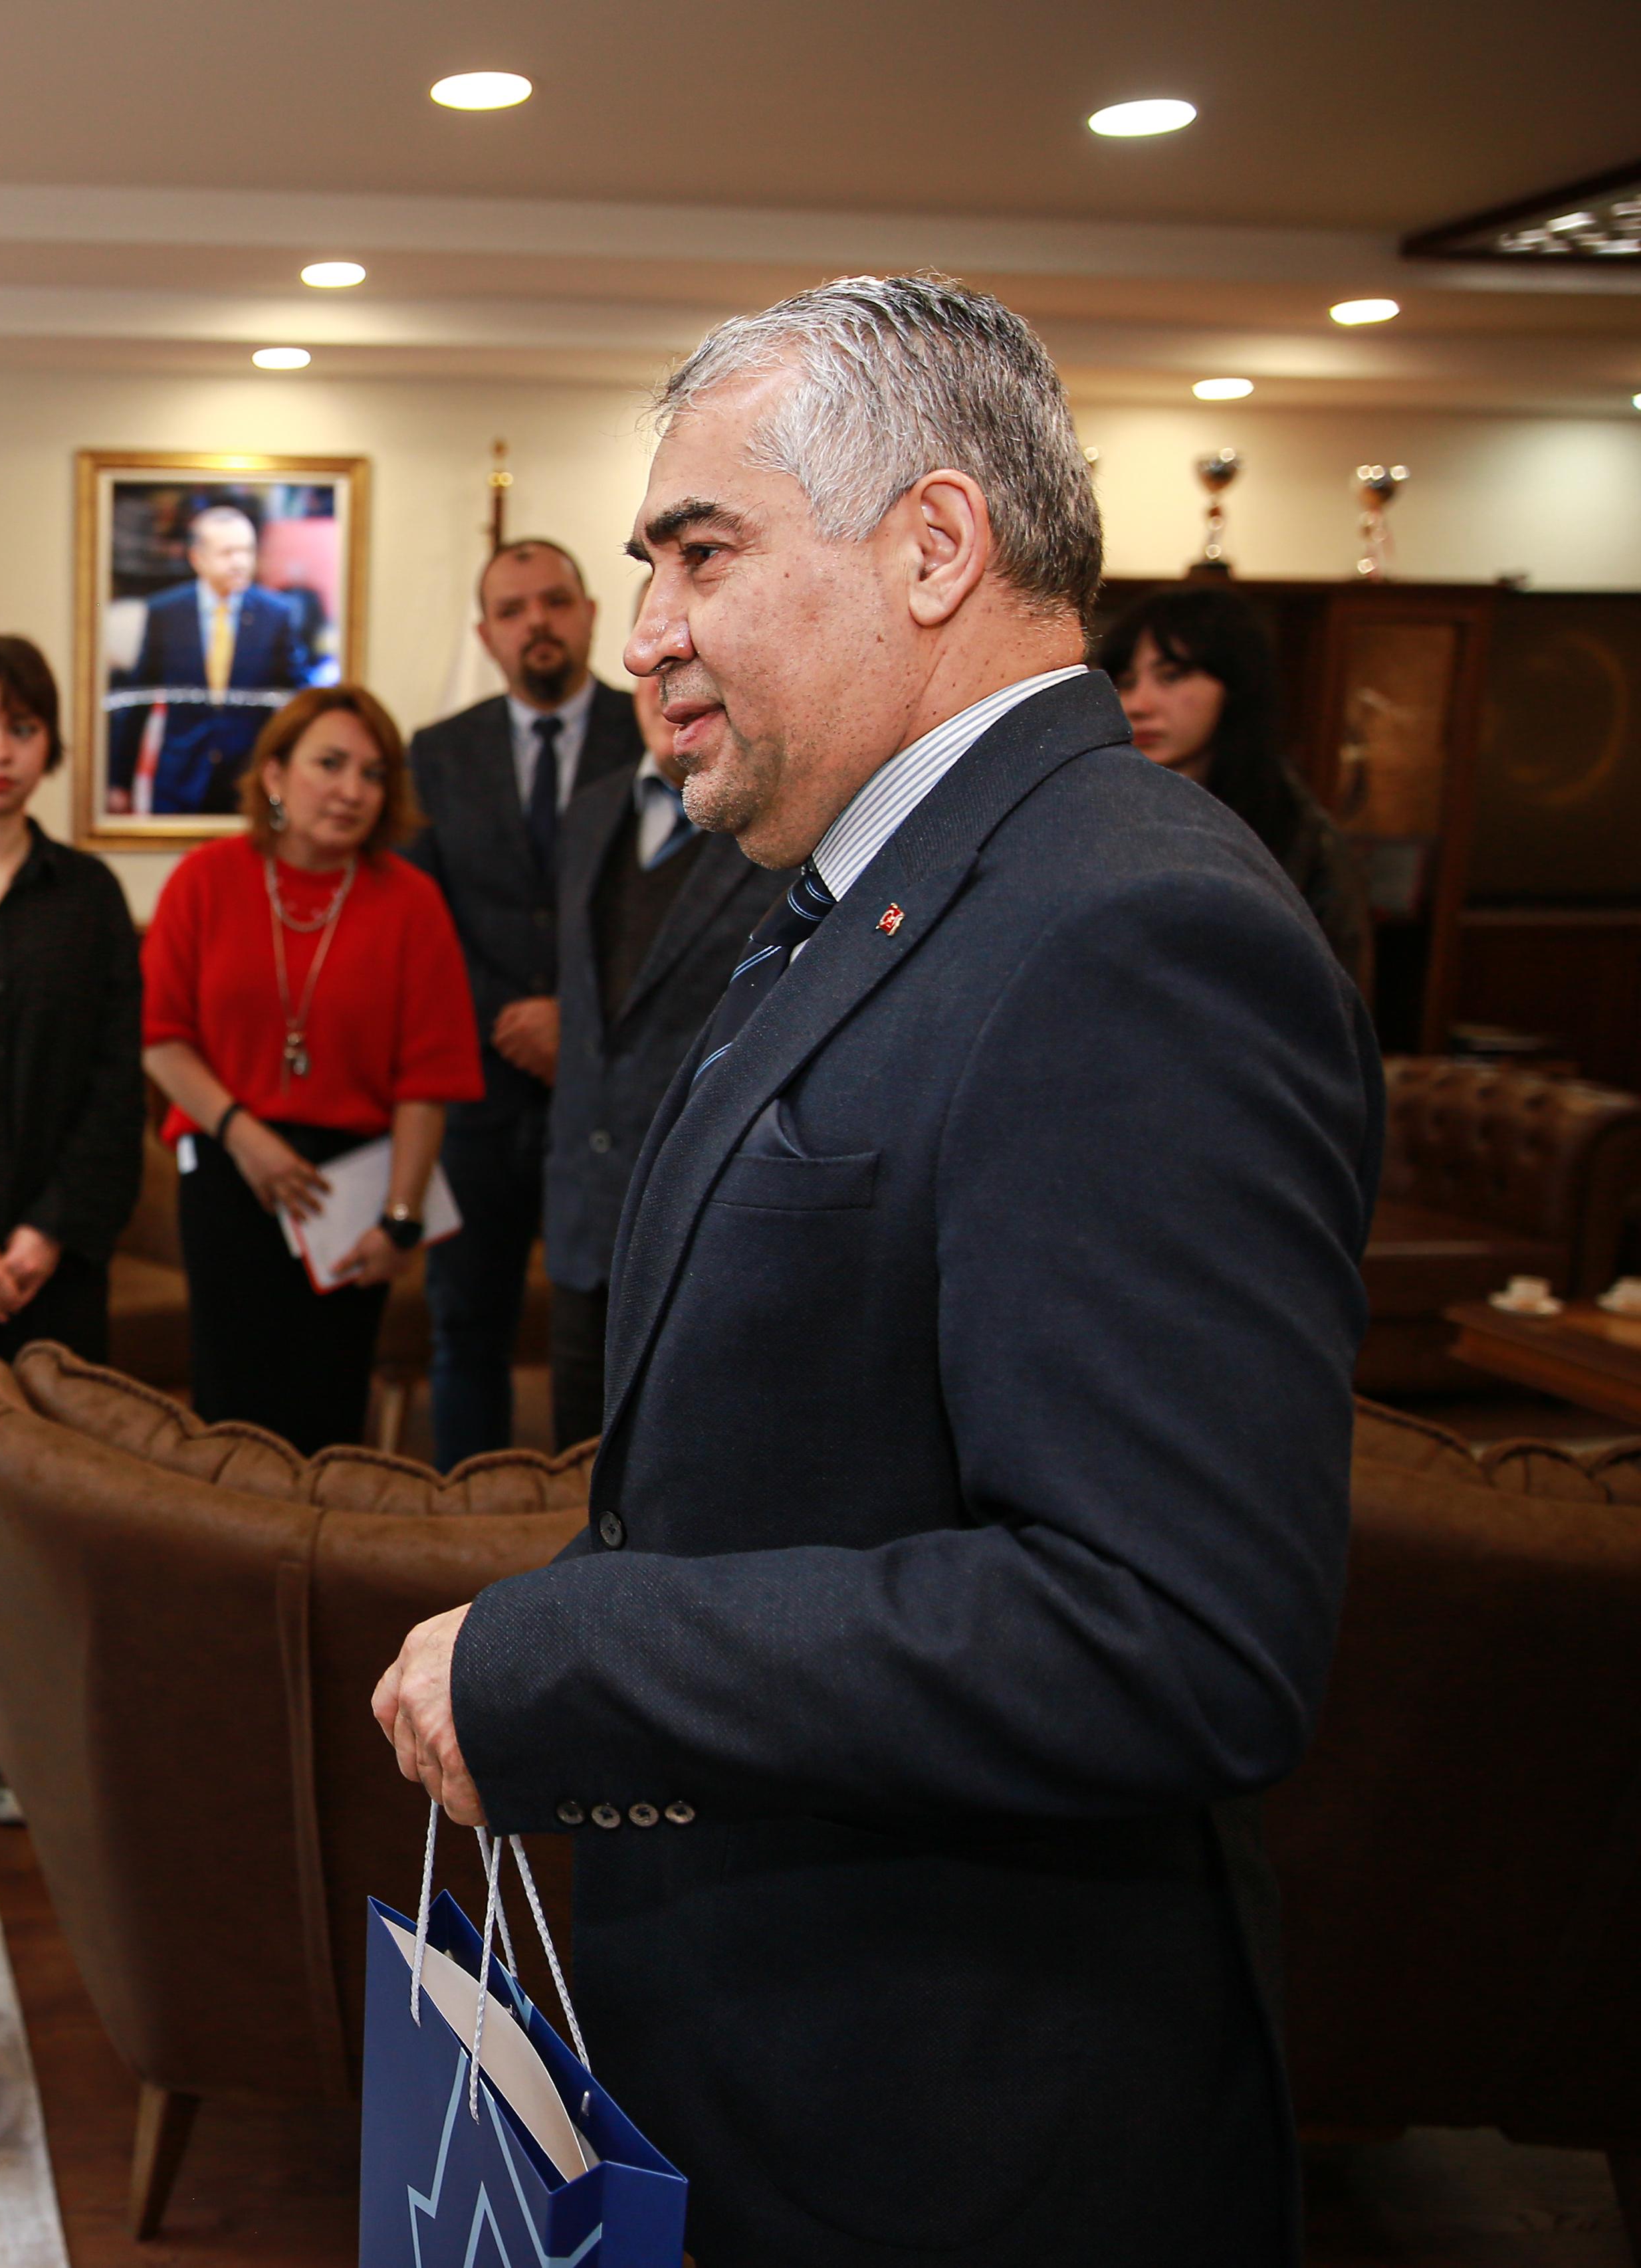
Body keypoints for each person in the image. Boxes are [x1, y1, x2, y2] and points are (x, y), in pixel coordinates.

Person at [374, 277, 1378, 2265]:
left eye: (700, 553)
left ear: (930, 548)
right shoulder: (886, 892)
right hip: (785, 2059)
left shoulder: (1126, 929)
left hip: (961, 2132)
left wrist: (577, 1661)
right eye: (646, 565)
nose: (643, 629)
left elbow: (1166, 1628)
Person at [140, 686, 483, 1457]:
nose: (351, 790)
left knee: (328, 1412)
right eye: (329, 764)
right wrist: (245, 1137)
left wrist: (400, 1219)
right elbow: (160, 1039)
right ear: (273, 774)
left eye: (372, 773)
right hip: (228, 1166)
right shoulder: (202, 879)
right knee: (230, 1413)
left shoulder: (412, 902)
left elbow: (427, 1080)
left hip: (350, 1189)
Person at [402, 540, 645, 1463]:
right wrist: (510, 1023)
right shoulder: (438, 753)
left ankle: (594, 1527)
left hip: (616, 1101)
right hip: (477, 1098)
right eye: (511, 610)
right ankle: (469, 1519)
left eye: (553, 601)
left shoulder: (656, 728)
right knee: (466, 1333)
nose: (535, 622)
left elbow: (674, 917)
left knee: (615, 1338)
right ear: (486, 635)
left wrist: (574, 1025)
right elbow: (422, 925)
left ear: (589, 615)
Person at [540, 660, 789, 1449]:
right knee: (573, 1464)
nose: (666, 684)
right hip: (582, 1216)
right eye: (651, 665)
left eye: (690, 664)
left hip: (705, 1219)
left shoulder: (781, 818)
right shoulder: (589, 811)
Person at [0, 633, 145, 1367]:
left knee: (60, 1432)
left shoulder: (89, 894)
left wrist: (49, 1230)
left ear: (50, 742)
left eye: (21, 728)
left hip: (56, 1256)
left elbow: (115, 1083)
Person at [1095, 584, 1376, 995]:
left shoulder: (1301, 838)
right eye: (1126, 681)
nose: (1138, 704)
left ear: (1236, 685)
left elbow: (1337, 1002)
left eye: (1171, 676)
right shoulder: (1098, 812)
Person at [111, 501, 317, 816]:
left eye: (247, 551)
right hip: (178, 779)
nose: (240, 562)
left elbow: (297, 697)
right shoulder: (166, 612)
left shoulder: (275, 615)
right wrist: (119, 781)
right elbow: (138, 701)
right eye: (228, 553)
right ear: (198, 558)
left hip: (248, 777)